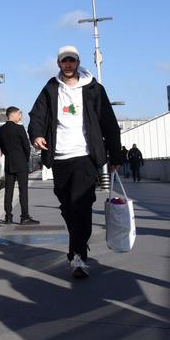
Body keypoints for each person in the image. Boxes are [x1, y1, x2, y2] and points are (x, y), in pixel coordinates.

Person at [28, 45, 123, 279]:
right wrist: (37, 135)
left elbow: (109, 122)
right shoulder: (51, 88)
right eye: (64, 61)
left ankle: (78, 255)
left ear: (78, 62)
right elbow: (37, 115)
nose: (68, 65)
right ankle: (78, 243)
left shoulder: (94, 89)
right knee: (67, 206)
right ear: (58, 63)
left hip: (84, 156)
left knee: (81, 205)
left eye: (72, 61)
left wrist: (115, 155)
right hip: (60, 156)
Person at [0, 106, 38, 224]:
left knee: (8, 190)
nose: (20, 116)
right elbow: (26, 146)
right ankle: (24, 217)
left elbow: (2, 148)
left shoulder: (1, 130)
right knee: (23, 190)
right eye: (19, 114)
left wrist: (9, 156)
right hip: (21, 164)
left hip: (9, 163)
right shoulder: (19, 128)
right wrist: (24, 160)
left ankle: (8, 216)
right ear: (13, 114)